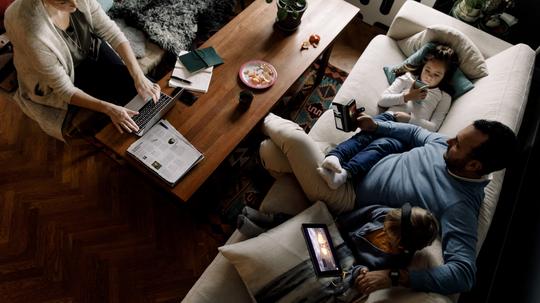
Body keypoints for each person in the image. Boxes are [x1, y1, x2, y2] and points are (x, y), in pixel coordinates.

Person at [259, 112, 518, 295]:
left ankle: (260, 114)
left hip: (347, 197)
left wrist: (395, 277)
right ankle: (268, 157)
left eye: (457, 144)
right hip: (355, 164)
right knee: (269, 150)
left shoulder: (459, 206)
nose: (448, 141)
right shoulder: (447, 148)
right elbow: (417, 132)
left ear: (474, 166)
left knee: (294, 140)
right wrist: (376, 127)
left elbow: (463, 275)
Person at [4, 0, 161, 141]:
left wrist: (138, 76)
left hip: (90, 50)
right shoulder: (30, 29)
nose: (75, 4)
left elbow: (112, 33)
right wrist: (109, 109)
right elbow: (63, 89)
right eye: (63, 1)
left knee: (147, 95)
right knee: (118, 125)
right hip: (67, 75)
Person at [317, 44, 458, 189]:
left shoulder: (443, 96)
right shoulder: (407, 78)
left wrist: (409, 119)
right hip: (388, 118)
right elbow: (383, 100)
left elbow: (434, 128)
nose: (429, 77)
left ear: (444, 76)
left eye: (437, 75)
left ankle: (345, 173)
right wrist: (407, 96)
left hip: (407, 134)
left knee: (382, 145)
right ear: (423, 65)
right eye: (427, 70)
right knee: (365, 136)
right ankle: (335, 156)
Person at [255, 204, 439, 302]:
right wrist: (330, 236)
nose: (383, 231)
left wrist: (361, 272)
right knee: (313, 227)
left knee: (332, 282)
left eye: (389, 237)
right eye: (384, 226)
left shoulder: (399, 258)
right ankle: (272, 222)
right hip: (335, 238)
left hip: (345, 263)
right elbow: (342, 222)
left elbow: (363, 269)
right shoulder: (380, 213)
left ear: (402, 247)